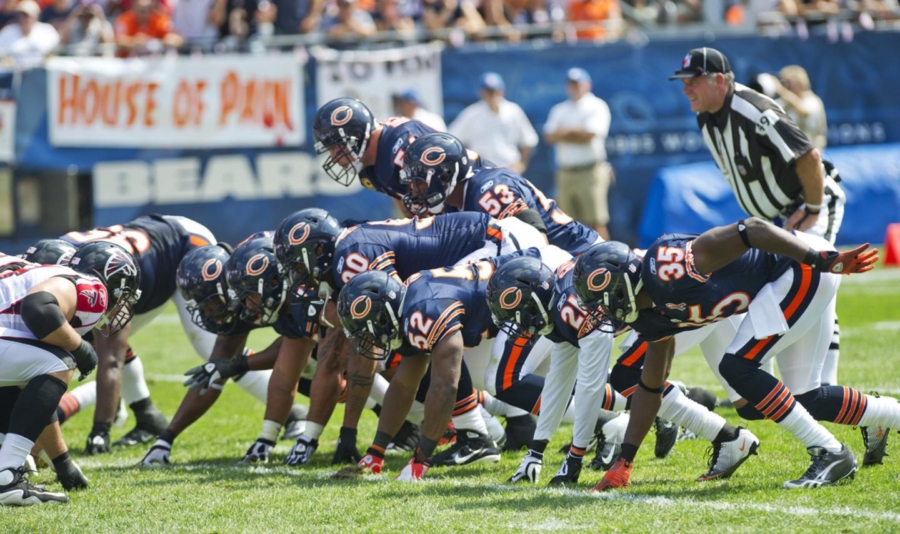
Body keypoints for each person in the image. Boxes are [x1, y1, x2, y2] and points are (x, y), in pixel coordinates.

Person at [573, 218, 894, 490]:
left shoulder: (667, 268)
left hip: (799, 267)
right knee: (806, 398)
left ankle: (830, 452)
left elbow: (750, 229)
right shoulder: (648, 315)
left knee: (737, 366)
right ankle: (885, 416)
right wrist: (625, 461)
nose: (600, 313)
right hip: (792, 279)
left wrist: (820, 259)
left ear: (621, 289)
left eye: (600, 301)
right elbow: (651, 385)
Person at [671, 47, 847, 426]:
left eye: (694, 81)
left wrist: (813, 209)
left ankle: (825, 388)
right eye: (684, 82)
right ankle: (819, 391)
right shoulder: (707, 117)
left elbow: (809, 158)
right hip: (774, 217)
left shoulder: (752, 109)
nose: (686, 89)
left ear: (720, 80)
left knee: (814, 277)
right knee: (794, 281)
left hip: (807, 203)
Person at [489, 255, 759, 486]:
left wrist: (575, 457)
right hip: (668, 299)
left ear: (534, 301)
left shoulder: (573, 311)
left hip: (680, 297)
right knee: (630, 378)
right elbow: (559, 381)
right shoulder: (558, 306)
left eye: (513, 312)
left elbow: (590, 389)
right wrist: (536, 452)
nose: (514, 325)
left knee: (630, 378)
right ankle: (726, 436)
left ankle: (729, 438)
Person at [60, 216, 303, 453]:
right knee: (100, 340)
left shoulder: (90, 275)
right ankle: (147, 415)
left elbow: (110, 358)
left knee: (213, 351)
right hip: (145, 256)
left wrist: (100, 430)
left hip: (185, 247)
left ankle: (292, 412)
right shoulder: (59, 268)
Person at [338, 249, 550, 480]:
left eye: (365, 331)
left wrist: (421, 459)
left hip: (538, 286)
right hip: (516, 300)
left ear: (382, 315)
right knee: (488, 377)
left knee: (501, 380)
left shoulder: (423, 311)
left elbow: (446, 386)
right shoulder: (409, 311)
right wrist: (376, 451)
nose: (367, 340)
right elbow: (403, 385)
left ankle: (591, 423)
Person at [140, 240, 313, 465]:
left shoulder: (274, 279)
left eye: (210, 302)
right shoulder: (241, 301)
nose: (207, 312)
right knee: (309, 370)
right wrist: (166, 438)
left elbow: (297, 346)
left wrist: (239, 365)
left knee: (319, 365)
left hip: (341, 312)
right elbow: (214, 373)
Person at [0, 242, 140, 505]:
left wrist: (62, 462)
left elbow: (30, 386)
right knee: (62, 361)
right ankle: (6, 475)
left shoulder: (20, 275)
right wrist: (80, 347)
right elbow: (39, 308)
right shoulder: (90, 286)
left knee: (33, 372)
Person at [312, 97, 440, 215]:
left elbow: (439, 215)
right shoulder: (370, 167)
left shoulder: (399, 148)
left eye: (334, 147)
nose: (333, 157)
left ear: (357, 136)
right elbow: (412, 214)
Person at [543, 68, 613, 240]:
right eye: (571, 84)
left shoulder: (596, 106)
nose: (574, 87)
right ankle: (574, 266)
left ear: (587, 85)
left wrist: (562, 133)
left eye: (578, 83)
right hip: (565, 172)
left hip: (589, 171)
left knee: (595, 222)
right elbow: (549, 137)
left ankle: (612, 263)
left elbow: (588, 136)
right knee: (566, 223)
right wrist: (575, 132)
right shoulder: (559, 109)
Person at [448, 72, 539, 175]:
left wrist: (521, 164)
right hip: (481, 171)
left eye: (494, 91)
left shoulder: (513, 111)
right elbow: (452, 140)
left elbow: (529, 139)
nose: (492, 95)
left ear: (502, 91)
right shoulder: (471, 114)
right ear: (481, 92)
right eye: (488, 91)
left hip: (509, 169)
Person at [0, 0, 60, 68]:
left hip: (41, 72)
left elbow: (56, 50)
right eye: (23, 16)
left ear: (36, 16)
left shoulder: (47, 31)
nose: (26, 19)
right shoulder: (8, 31)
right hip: (12, 74)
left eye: (29, 16)